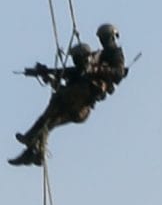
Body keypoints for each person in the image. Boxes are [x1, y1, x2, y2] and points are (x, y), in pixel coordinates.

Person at [9, 23, 127, 165]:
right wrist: (47, 72)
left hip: (81, 104)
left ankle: (32, 142)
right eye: (102, 38)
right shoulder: (99, 57)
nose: (104, 41)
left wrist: (95, 70)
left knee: (54, 109)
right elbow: (71, 72)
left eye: (106, 38)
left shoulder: (115, 54)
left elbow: (118, 73)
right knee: (48, 121)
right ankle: (33, 152)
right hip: (77, 102)